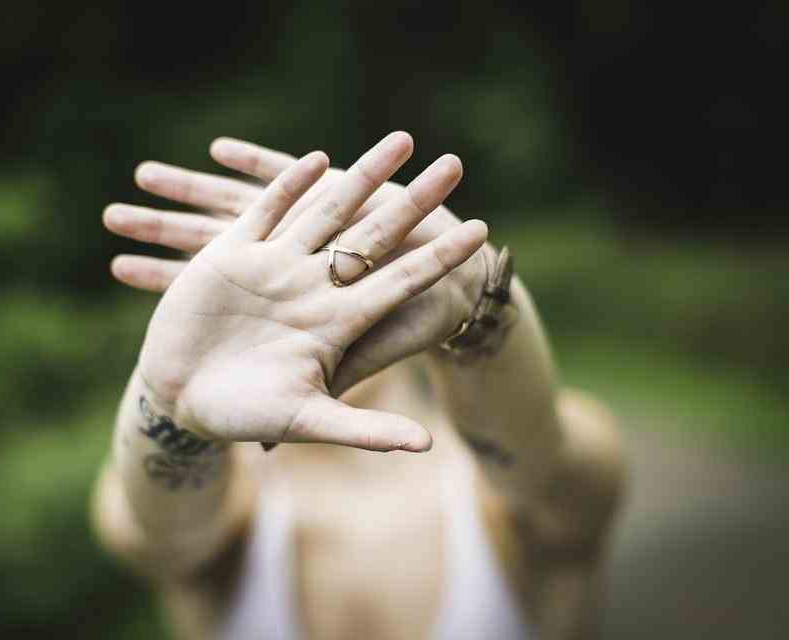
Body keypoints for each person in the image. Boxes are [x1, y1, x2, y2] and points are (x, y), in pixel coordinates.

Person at [91, 132, 625, 640]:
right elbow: (165, 537)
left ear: (385, 261)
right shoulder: (217, 513)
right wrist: (168, 399)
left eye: (312, 265)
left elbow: (545, 473)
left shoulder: (509, 484)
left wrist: (478, 296)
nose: (290, 321)